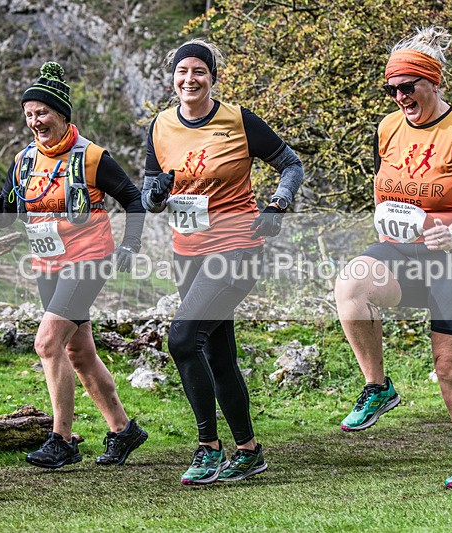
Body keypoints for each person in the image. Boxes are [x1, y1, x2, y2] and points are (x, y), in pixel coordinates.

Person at [333, 26, 452, 489]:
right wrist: (382, 217)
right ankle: (378, 387)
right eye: (392, 88)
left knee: (449, 368)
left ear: (434, 81)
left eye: (409, 86)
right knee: (351, 285)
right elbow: (381, 177)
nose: (400, 95)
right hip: (405, 250)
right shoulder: (387, 127)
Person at [142, 39, 303, 485]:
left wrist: (278, 204)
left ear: (213, 77)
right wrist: (155, 194)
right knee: (217, 353)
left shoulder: (238, 120)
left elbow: (290, 163)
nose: (189, 79)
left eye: (199, 71)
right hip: (186, 253)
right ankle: (249, 451)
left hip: (236, 247)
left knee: (181, 338)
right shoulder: (159, 126)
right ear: (173, 77)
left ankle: (208, 448)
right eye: (182, 71)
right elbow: (150, 191)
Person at [0, 62, 148, 469]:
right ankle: (123, 430)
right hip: (46, 261)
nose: (36, 121)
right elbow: (12, 213)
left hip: (89, 258)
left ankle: (63, 439)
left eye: (43, 113)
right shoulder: (23, 162)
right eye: (29, 115)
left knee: (47, 343)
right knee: (78, 351)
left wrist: (131, 244)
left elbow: (133, 197)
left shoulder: (91, 156)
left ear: (62, 115)